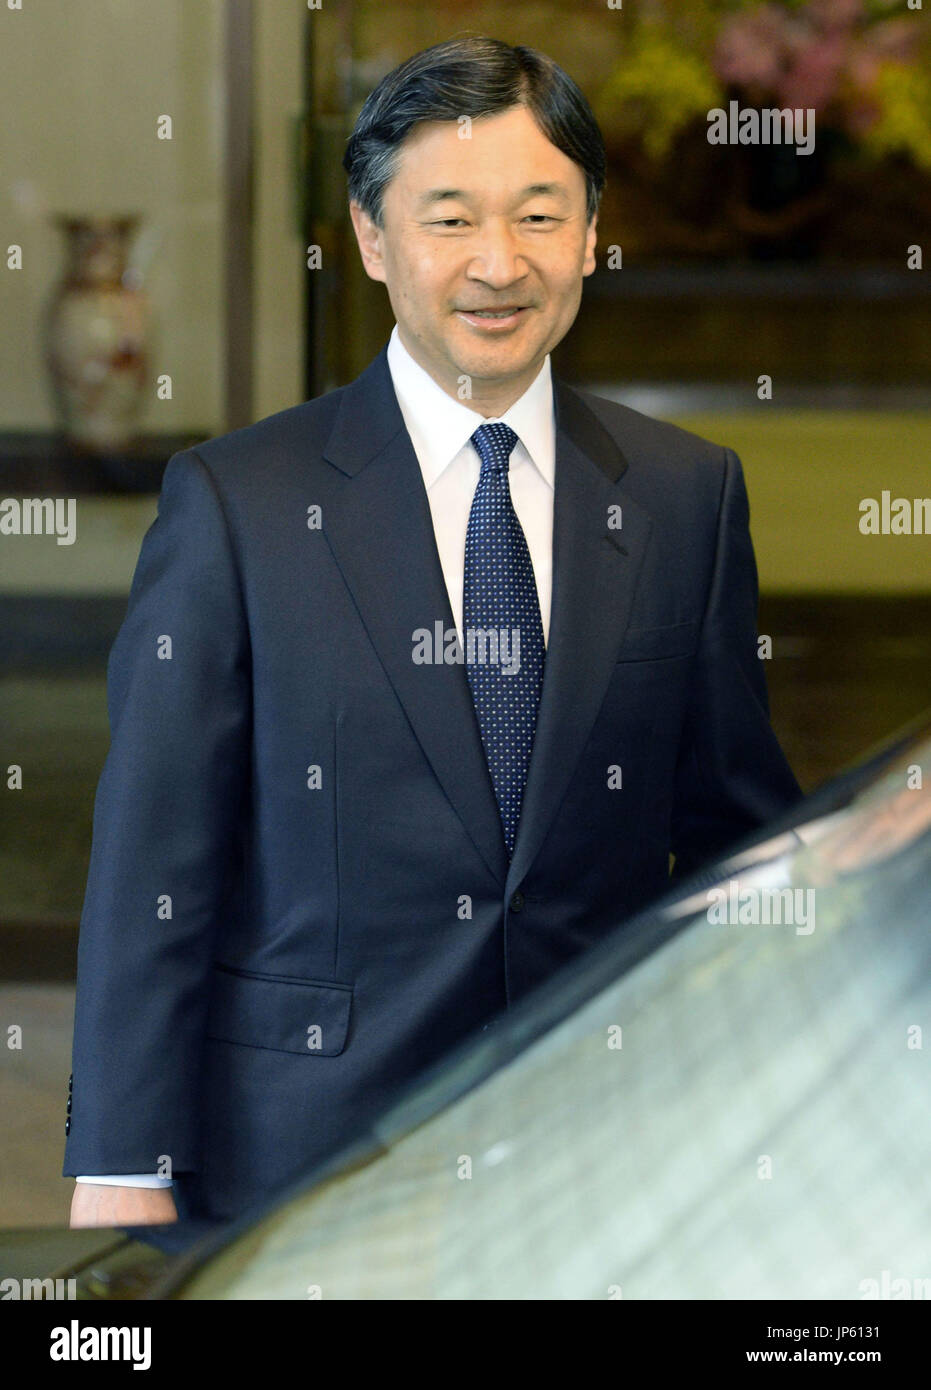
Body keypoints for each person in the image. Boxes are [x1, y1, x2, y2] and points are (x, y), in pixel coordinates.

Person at [66, 36, 802, 1228]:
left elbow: (732, 837)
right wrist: (121, 1162)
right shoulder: (240, 504)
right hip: (307, 1162)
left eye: (539, 216)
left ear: (591, 234)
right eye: (449, 218)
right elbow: (155, 862)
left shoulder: (684, 495)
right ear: (371, 237)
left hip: (601, 1155)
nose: (499, 264)